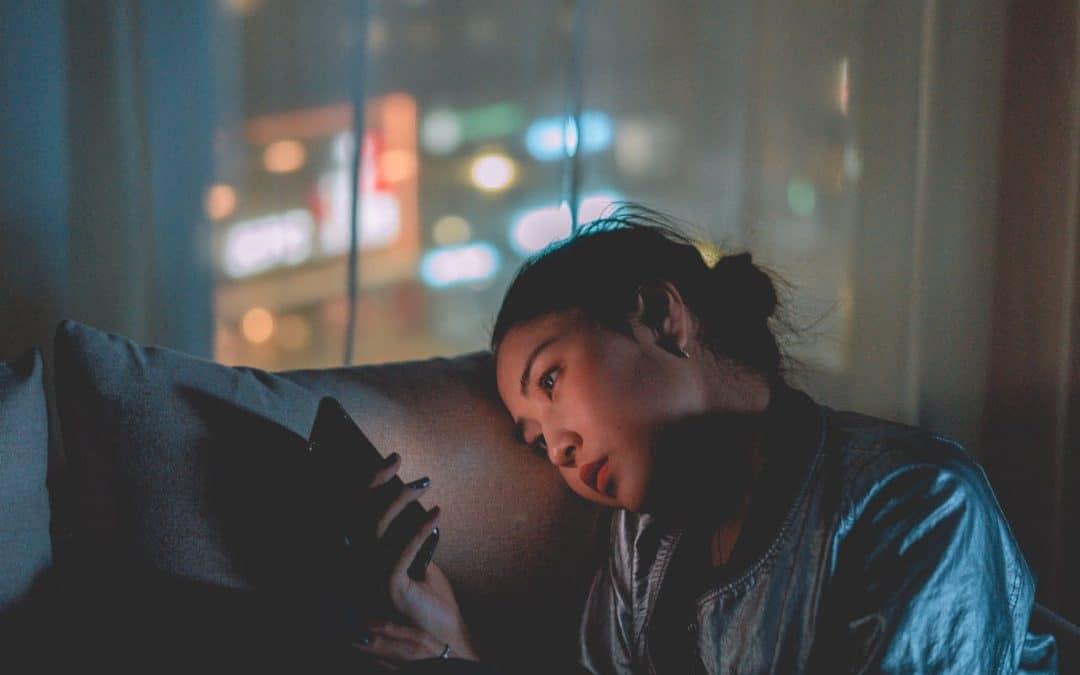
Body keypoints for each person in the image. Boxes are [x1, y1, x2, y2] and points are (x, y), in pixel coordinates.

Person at [355, 204, 1059, 673]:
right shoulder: (641, 549)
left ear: (662, 315)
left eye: (550, 382)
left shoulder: (917, 504)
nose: (559, 448)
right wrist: (456, 644)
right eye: (536, 441)